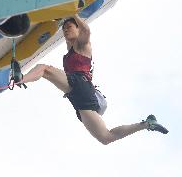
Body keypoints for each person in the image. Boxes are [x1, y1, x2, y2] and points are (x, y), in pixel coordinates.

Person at [19, 14, 168, 145]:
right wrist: (62, 20)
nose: (65, 30)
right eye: (64, 28)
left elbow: (86, 31)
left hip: (80, 85)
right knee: (106, 138)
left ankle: (20, 79)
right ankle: (147, 124)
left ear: (78, 29)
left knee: (45, 69)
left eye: (69, 27)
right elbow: (70, 37)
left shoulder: (83, 44)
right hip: (80, 95)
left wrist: (73, 13)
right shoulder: (71, 48)